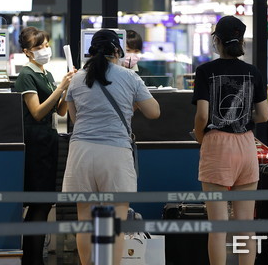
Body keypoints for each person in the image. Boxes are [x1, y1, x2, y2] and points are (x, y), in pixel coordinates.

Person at [63, 29, 160, 265]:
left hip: (81, 154)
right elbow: (154, 112)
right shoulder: (130, 77)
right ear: (117, 50)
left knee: (85, 221)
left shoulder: (76, 79)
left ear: (91, 51)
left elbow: (76, 119)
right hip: (115, 154)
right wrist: (129, 107)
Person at [192, 16, 268, 265]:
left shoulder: (205, 71)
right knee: (246, 226)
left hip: (217, 145)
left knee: (218, 226)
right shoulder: (253, 72)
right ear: (242, 41)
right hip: (247, 145)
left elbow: (202, 115)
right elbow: (264, 115)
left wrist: (202, 138)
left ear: (216, 41)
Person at [13, 26, 75, 265]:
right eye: (38, 47)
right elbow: (37, 112)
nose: (44, 50)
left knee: (45, 201)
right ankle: (32, 257)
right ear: (27, 52)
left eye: (46, 45)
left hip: (48, 140)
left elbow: (59, 110)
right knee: (39, 202)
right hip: (35, 141)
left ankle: (33, 256)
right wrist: (60, 87)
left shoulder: (46, 74)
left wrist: (67, 87)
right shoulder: (26, 75)